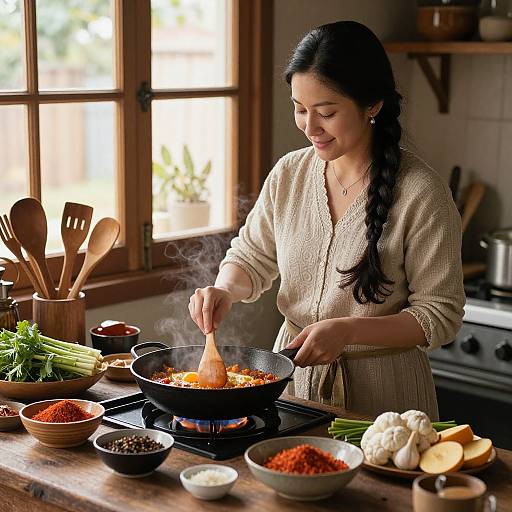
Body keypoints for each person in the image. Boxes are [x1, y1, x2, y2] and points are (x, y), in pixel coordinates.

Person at [188, 21, 464, 419]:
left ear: (372, 104)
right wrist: (225, 290)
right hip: (295, 387)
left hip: (385, 401)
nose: (309, 127)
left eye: (327, 113)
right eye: (299, 109)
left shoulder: (422, 193)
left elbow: (439, 314)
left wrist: (349, 331)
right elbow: (250, 256)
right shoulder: (289, 173)